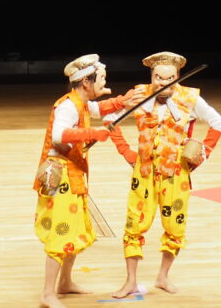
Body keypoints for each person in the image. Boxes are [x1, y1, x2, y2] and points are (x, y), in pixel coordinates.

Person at [107, 52, 221, 298]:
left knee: (175, 227)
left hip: (176, 174)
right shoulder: (139, 95)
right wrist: (127, 153)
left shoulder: (190, 98)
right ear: (152, 76)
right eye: (159, 78)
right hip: (144, 173)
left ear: (178, 77)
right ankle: (130, 281)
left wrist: (201, 155)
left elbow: (218, 123)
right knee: (134, 225)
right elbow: (111, 120)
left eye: (170, 78)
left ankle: (163, 277)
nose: (164, 83)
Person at [35, 54, 143, 308]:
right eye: (101, 80)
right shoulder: (67, 106)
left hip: (73, 174)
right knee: (62, 233)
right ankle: (47, 293)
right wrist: (94, 132)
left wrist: (123, 101)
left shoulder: (81, 103)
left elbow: (99, 108)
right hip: (61, 177)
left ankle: (65, 283)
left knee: (73, 229)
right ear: (86, 83)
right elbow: (60, 135)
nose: (105, 84)